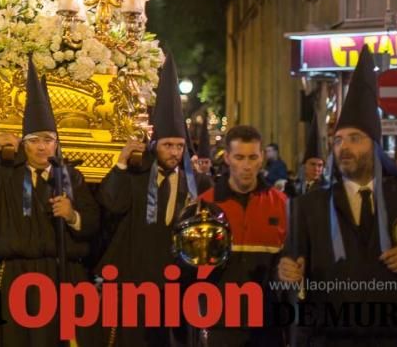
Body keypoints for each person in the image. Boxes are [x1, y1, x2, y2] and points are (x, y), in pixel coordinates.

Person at [278, 47, 397, 345]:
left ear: (375, 145)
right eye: (338, 140)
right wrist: (286, 273)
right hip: (333, 338)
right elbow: (287, 276)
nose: (344, 148)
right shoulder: (309, 206)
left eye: (355, 138)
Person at [0, 59, 100, 346]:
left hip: (55, 274)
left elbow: (94, 221)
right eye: (34, 140)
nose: (41, 147)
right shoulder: (4, 172)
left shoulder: (70, 176)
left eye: (48, 140)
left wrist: (72, 215)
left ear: (56, 144)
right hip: (11, 275)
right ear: (24, 144)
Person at [96, 52, 209, 347]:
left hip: (176, 288)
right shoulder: (134, 177)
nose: (174, 152)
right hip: (134, 283)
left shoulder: (196, 185)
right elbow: (110, 203)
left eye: (180, 146)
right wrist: (121, 162)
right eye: (168, 145)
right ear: (155, 145)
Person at [198, 124, 287, 346]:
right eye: (239, 157)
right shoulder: (204, 205)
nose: (246, 166)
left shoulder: (282, 205)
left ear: (262, 158)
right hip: (219, 320)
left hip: (268, 322)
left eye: (252, 157)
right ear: (227, 158)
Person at [286, 114, 327, 197]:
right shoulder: (295, 185)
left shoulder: (326, 189)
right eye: (313, 164)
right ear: (305, 165)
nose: (316, 169)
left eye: (320, 165)